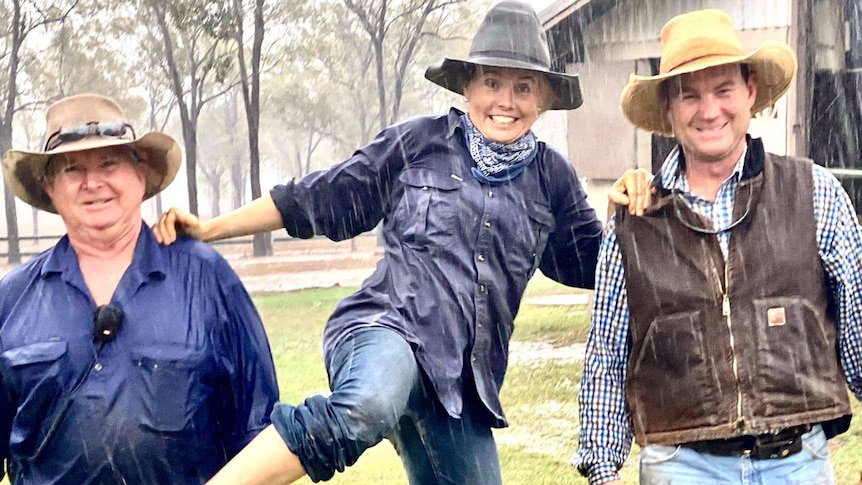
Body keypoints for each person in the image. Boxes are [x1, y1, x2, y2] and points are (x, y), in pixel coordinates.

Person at [153, 2, 646, 484]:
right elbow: (315, 198)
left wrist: (629, 214)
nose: (506, 101)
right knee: (367, 405)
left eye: (523, 87)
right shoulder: (418, 144)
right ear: (468, 86)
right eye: (492, 82)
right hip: (386, 331)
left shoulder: (552, 178)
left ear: (542, 98)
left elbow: (595, 264)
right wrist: (211, 228)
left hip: (460, 386)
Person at [573, 8, 862, 485]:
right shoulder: (635, 219)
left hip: (799, 464)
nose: (709, 111)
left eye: (723, 90)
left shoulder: (816, 194)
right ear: (668, 107)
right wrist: (603, 471)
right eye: (689, 95)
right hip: (680, 467)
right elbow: (607, 355)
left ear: (749, 92)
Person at [0, 93, 279, 484]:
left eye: (109, 163)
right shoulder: (12, 300)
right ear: (49, 186)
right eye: (71, 169)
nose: (92, 182)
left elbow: (260, 433)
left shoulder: (207, 280)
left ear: (140, 173)